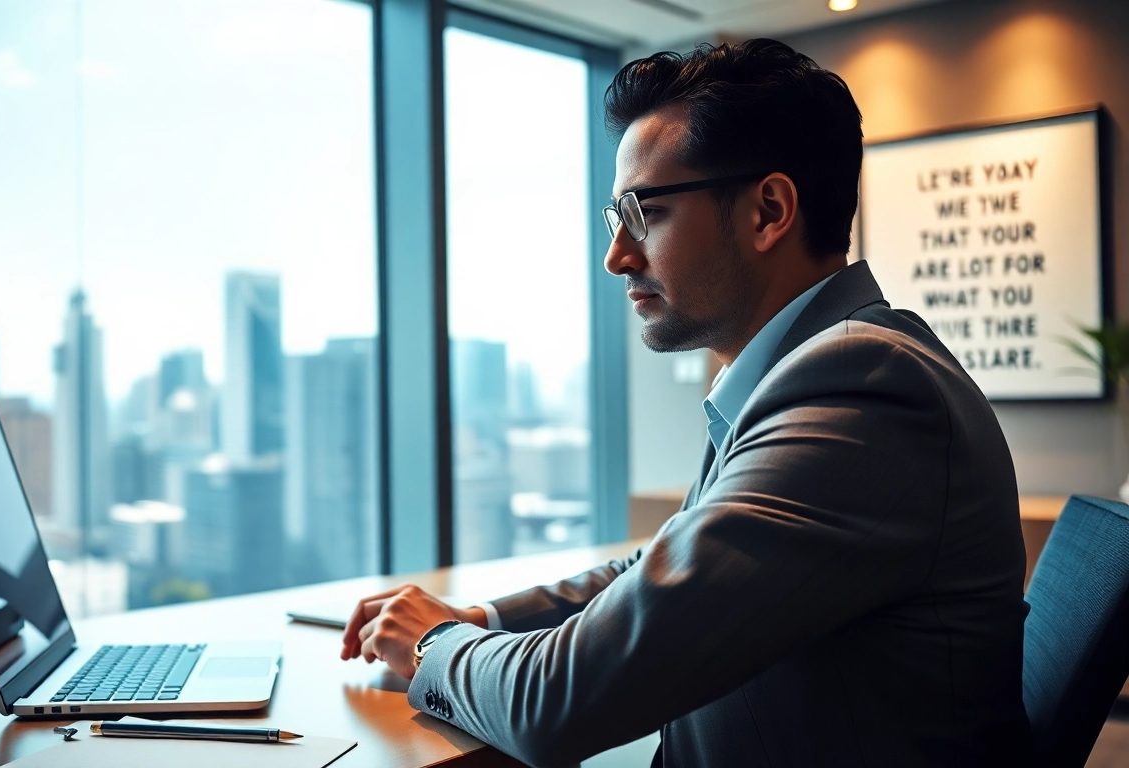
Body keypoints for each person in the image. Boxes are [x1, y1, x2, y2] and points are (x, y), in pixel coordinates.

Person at [341, 39, 1032, 767]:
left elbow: (559, 704)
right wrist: (479, 619)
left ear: (768, 210)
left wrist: (432, 644)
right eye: (616, 217)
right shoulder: (800, 373)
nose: (617, 256)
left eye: (644, 212)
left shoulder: (862, 392)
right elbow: (658, 569)